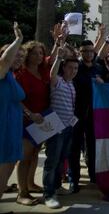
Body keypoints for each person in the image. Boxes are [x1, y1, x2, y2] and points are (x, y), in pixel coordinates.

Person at [15, 40, 52, 205]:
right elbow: (16, 99)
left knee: (35, 153)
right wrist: (29, 114)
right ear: (28, 55)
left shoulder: (43, 71)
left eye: (41, 53)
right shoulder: (21, 74)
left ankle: (30, 184)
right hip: (25, 120)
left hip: (41, 119)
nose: (39, 56)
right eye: (35, 53)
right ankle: (22, 193)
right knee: (25, 157)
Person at [42, 46, 79, 209]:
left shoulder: (71, 85)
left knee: (60, 160)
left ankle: (56, 186)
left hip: (68, 128)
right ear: (63, 68)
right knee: (52, 161)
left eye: (76, 68)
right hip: (56, 129)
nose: (73, 71)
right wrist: (58, 57)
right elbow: (51, 74)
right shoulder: (57, 81)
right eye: (70, 68)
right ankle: (48, 194)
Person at [70, 40, 103, 193]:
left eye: (91, 51)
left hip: (94, 114)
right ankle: (73, 180)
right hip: (76, 113)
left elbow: (107, 88)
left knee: (92, 147)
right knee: (74, 147)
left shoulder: (99, 68)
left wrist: (102, 83)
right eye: (85, 51)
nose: (89, 54)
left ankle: (93, 178)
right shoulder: (75, 67)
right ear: (80, 52)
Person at [0, 22, 25, 202]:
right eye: (16, 54)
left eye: (21, 56)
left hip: (13, 128)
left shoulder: (12, 77)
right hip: (3, 127)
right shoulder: (1, 72)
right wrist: (18, 40)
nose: (19, 58)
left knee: (6, 173)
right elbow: (4, 61)